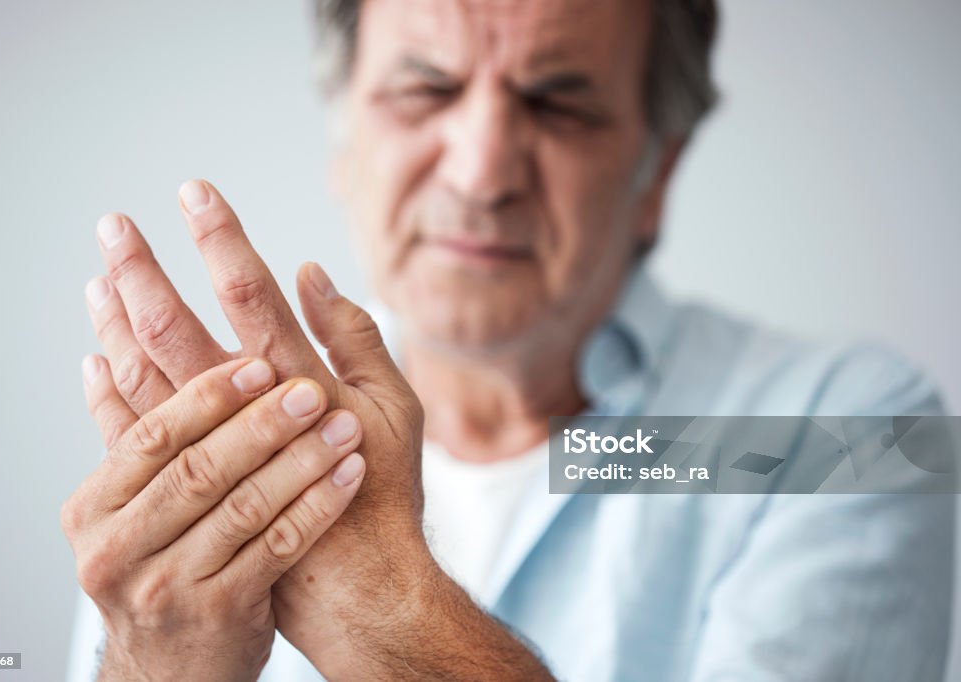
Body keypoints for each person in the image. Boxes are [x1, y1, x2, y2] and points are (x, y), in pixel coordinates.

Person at [63, 1, 955, 680]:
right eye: (425, 90)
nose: (483, 170)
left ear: (659, 171)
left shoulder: (854, 435)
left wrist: (383, 606)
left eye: (557, 104)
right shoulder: (212, 452)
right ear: (345, 141)